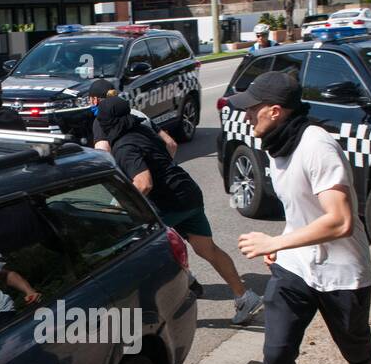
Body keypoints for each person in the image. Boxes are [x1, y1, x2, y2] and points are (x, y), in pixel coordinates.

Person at [229, 72, 371, 364]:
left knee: (355, 345)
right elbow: (300, 210)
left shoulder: (317, 146)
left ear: (275, 111)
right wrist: (282, 246)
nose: (246, 117)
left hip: (341, 273)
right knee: (276, 355)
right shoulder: (278, 145)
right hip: (295, 268)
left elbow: (341, 221)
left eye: (252, 109)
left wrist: (276, 239)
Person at [96, 96, 264, 326]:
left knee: (146, 256)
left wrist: (124, 206)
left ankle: (164, 309)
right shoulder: (143, 132)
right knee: (208, 249)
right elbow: (170, 146)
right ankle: (244, 296)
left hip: (166, 205)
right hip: (188, 194)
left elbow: (144, 183)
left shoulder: (124, 146)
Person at [86, 78, 177, 155]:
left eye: (89, 100)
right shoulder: (137, 114)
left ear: (94, 100)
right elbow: (171, 144)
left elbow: (104, 153)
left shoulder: (101, 122)